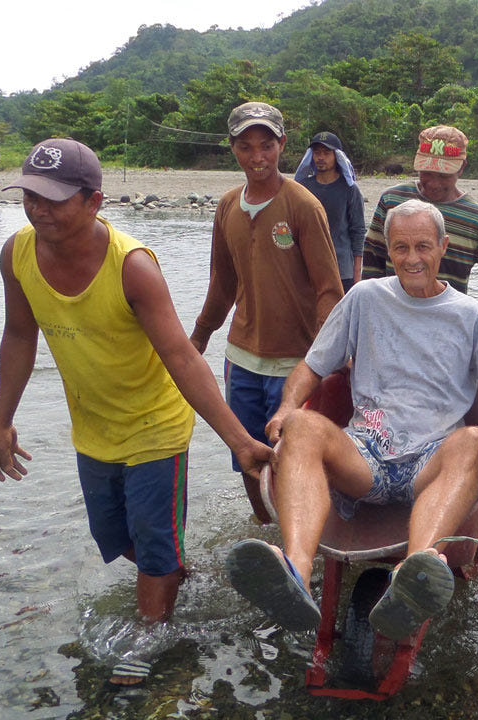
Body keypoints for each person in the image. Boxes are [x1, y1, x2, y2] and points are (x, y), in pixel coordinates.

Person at [0, 138, 273, 686]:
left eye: (54, 199)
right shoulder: (16, 254)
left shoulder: (133, 266)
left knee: (153, 548)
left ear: (94, 202)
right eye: (31, 197)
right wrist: (1, 421)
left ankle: (150, 636)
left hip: (154, 428)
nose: (39, 209)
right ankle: (176, 571)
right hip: (92, 429)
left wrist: (239, 442)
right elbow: (19, 335)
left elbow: (182, 357)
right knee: (116, 539)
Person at [226, 199, 478, 641]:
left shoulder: (469, 315)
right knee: (304, 427)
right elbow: (312, 367)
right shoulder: (365, 298)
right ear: (388, 251)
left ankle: (415, 571)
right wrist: (286, 409)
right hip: (365, 453)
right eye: (401, 247)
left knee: (474, 439)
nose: (412, 259)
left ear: (443, 247)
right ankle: (295, 570)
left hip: (431, 461)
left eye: (423, 246)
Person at [189, 102, 344, 522]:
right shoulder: (226, 207)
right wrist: (197, 340)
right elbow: (221, 284)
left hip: (294, 363)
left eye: (266, 146)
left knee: (292, 458)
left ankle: (299, 535)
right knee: (246, 455)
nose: (257, 157)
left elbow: (329, 291)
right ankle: (264, 527)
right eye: (246, 147)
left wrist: (324, 358)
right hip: (241, 359)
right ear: (233, 149)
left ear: (283, 146)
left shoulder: (303, 206)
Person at [362, 125, 478, 364]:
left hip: (447, 337)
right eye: (426, 173)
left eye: (443, 175)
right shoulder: (392, 201)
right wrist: (366, 323)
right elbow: (372, 264)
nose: (432, 183)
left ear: (462, 168)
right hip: (391, 328)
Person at [295, 131, 366, 292]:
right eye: (317, 153)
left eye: (326, 153)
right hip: (308, 266)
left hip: (341, 268)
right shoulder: (303, 188)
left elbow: (358, 230)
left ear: (337, 156)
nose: (321, 157)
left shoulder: (350, 189)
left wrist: (356, 274)